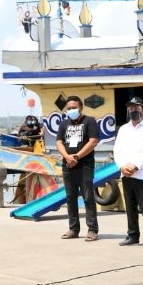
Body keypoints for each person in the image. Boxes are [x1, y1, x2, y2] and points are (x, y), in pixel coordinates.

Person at [113, 96, 143, 250]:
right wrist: (121, 167)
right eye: (131, 108)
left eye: (136, 107)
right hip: (126, 174)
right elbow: (117, 150)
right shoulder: (123, 130)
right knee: (130, 208)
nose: (133, 110)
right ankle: (132, 235)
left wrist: (135, 167)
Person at [56, 95, 99, 242]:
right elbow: (59, 143)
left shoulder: (90, 121)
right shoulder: (64, 124)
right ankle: (73, 229)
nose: (71, 110)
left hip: (84, 165)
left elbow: (93, 142)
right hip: (68, 165)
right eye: (69, 108)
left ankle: (92, 230)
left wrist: (77, 157)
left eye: (74, 107)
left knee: (88, 196)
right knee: (70, 197)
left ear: (81, 107)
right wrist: (68, 157)